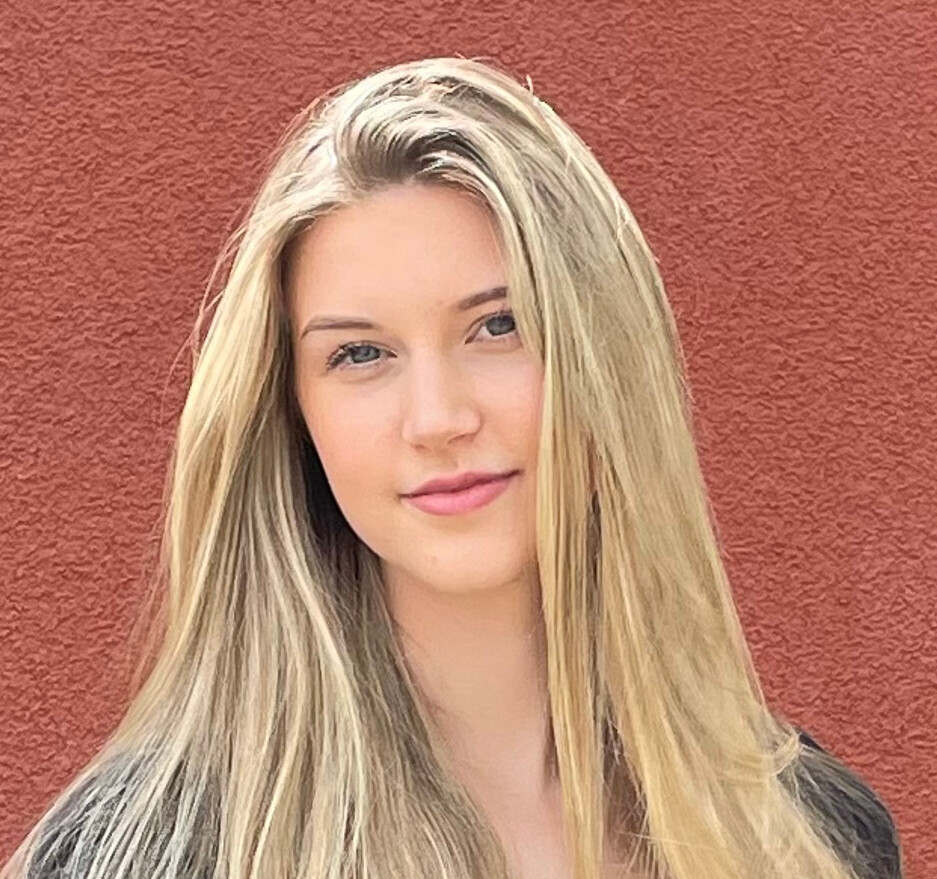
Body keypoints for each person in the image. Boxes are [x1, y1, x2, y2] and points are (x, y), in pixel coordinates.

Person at [2, 56, 903, 879]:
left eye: (497, 326)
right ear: (293, 413)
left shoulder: (812, 833)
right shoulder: (140, 851)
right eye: (359, 354)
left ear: (606, 360)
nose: (437, 419)